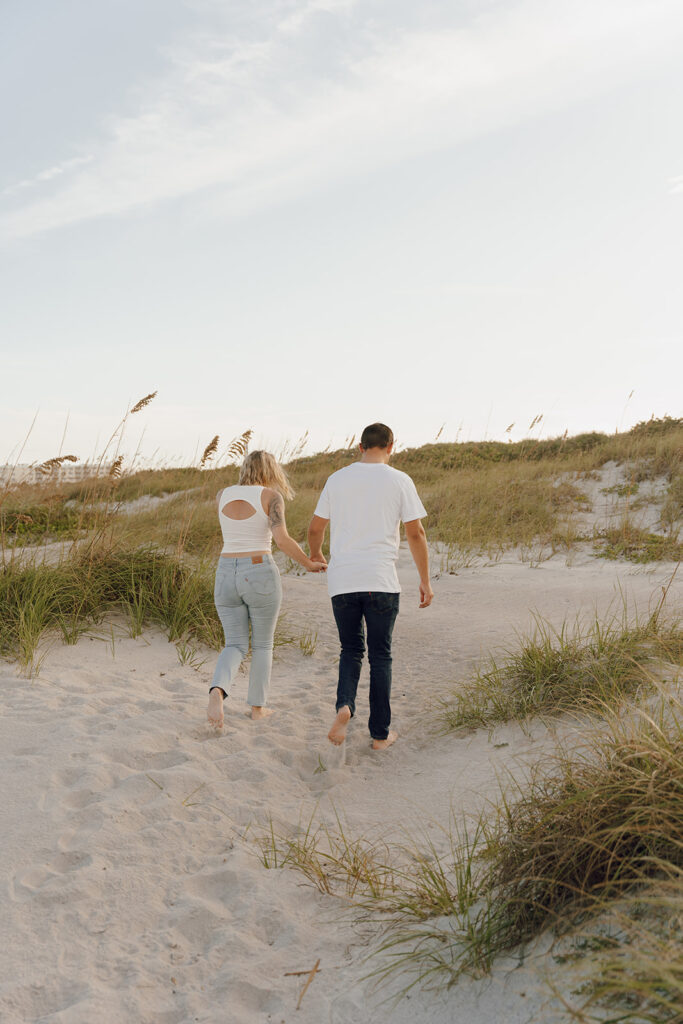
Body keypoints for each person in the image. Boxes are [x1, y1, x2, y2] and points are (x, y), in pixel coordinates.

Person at [307, 423, 433, 751]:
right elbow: (416, 533)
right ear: (392, 446)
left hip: (343, 581)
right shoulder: (400, 480)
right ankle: (379, 735)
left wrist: (317, 554)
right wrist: (425, 580)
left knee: (351, 650)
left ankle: (345, 706)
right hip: (381, 581)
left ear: (359, 447)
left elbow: (315, 528)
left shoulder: (337, 479)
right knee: (381, 656)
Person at [208, 450, 326, 729]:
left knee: (234, 643)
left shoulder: (222, 494)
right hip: (258, 569)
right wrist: (308, 563)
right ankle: (257, 708)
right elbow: (282, 540)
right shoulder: (271, 497)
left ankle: (217, 690)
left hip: (225, 571)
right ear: (271, 470)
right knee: (262, 644)